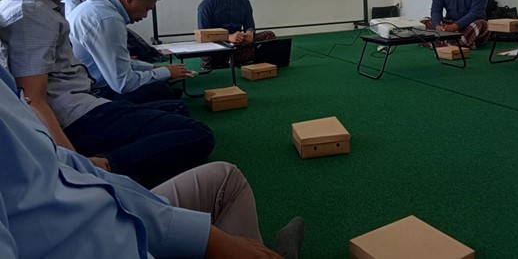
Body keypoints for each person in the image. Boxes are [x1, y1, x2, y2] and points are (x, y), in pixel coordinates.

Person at [0, 61, 304, 258]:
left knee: (225, 177)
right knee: (194, 130)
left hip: (101, 209)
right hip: (108, 234)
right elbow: (121, 80)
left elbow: (64, 166)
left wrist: (207, 238)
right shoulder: (52, 16)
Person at [0, 0, 215, 183]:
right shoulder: (32, 16)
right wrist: (74, 164)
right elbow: (33, 99)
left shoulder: (35, 5)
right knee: (198, 134)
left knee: (174, 112)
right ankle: (106, 168)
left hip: (84, 101)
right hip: (78, 116)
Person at [67, 0, 193, 103]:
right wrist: (165, 73)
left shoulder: (98, 6)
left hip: (87, 83)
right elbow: (124, 84)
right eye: (146, 9)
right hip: (92, 92)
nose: (145, 16)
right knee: (160, 89)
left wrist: (154, 68)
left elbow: (118, 62)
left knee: (159, 84)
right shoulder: (108, 19)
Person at [197, 0, 276, 68]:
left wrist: (249, 33)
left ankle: (229, 60)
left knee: (269, 36)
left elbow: (250, 26)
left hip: (238, 44)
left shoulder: (244, 2)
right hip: (217, 45)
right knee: (207, 53)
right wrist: (228, 37)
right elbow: (203, 35)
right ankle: (235, 59)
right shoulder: (207, 4)